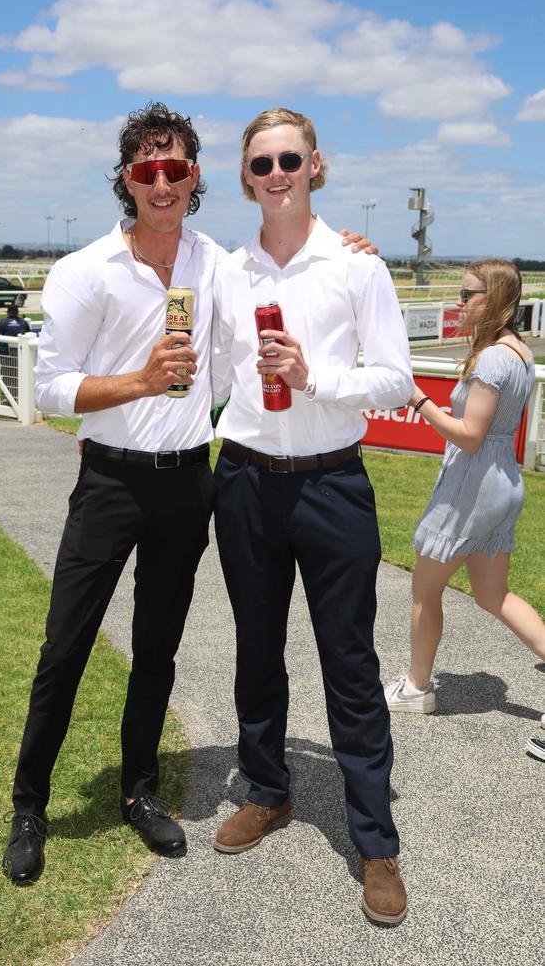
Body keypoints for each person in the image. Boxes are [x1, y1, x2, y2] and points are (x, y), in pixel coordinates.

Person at [0, 98, 380, 886]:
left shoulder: (217, 263)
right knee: (65, 647)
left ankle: (140, 788)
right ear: (128, 180)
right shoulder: (83, 271)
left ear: (198, 175)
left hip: (189, 484)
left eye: (176, 168)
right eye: (148, 170)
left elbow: (290, 273)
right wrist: (140, 380)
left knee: (158, 652)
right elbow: (51, 391)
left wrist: (350, 247)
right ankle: (29, 805)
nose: (162, 182)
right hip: (110, 479)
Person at [211, 107, 413, 926]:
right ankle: (269, 790)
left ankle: (376, 841)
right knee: (256, 649)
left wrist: (317, 378)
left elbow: (397, 379)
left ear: (316, 165)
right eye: (262, 163)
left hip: (333, 483)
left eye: (290, 158)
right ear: (247, 177)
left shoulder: (357, 266)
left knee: (351, 663)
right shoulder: (229, 271)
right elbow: (199, 374)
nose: (278, 173)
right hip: (247, 481)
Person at [384, 259, 545, 753]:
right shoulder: (519, 353)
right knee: (493, 597)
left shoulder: (495, 358)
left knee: (423, 590)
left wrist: (417, 400)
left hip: (473, 487)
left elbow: (470, 436)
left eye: (469, 294)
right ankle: (416, 684)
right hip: (502, 484)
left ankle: (416, 687)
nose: (459, 302)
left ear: (495, 297)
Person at [0, 303, 32, 400]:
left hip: (7, 354)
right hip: (20, 354)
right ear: (17, 312)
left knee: (6, 376)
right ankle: (17, 397)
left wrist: (0, 343)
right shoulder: (23, 322)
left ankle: (5, 398)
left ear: (8, 312)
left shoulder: (3, 322)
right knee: (18, 376)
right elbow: (30, 334)